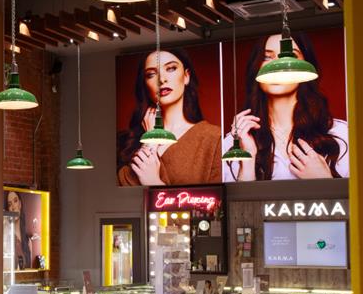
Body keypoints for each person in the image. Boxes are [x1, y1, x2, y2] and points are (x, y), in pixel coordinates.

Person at [224, 32, 349, 181]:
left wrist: (325, 181)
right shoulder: (233, 144)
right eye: (267, 57)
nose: (277, 66)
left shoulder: (342, 134)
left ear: (307, 66)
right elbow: (239, 204)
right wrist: (248, 162)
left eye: (290, 56)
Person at [118, 48, 222, 186]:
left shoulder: (213, 137)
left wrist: (154, 182)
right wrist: (150, 141)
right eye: (151, 74)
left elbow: (215, 201)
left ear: (186, 76)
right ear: (145, 84)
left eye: (171, 68)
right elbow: (122, 187)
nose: (161, 79)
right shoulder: (126, 140)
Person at [5, 191, 31, 268]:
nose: (13, 207)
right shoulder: (7, 238)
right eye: (9, 204)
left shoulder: (28, 241)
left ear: (20, 204)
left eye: (15, 201)